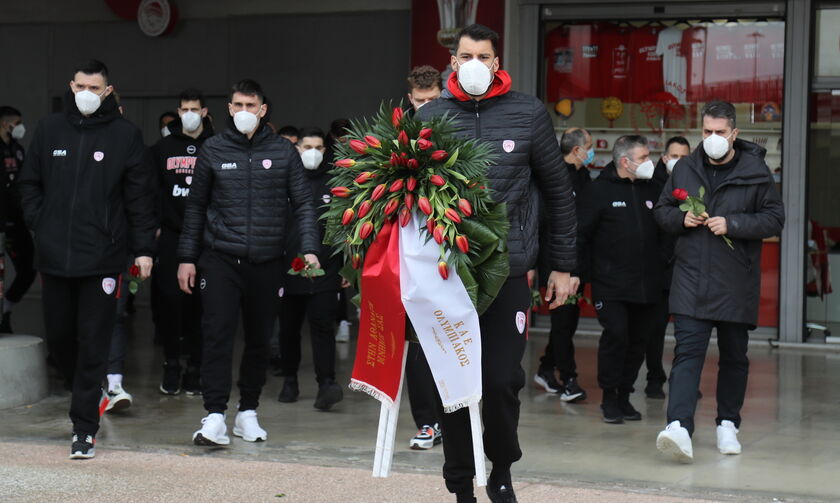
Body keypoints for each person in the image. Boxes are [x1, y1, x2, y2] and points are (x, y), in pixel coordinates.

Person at [417, 24, 577, 503]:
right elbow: (407, 194)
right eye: (465, 55)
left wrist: (563, 265)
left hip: (507, 271)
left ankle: (501, 466)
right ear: (452, 62)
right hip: (447, 273)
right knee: (454, 382)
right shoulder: (430, 116)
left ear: (496, 62)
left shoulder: (528, 113)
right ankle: (461, 482)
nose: (474, 64)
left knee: (503, 379)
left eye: (483, 56)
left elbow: (559, 193)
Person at [18, 59, 155, 459]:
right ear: (70, 85)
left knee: (93, 341)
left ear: (108, 91)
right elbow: (29, 183)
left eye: (94, 88)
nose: (86, 95)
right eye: (80, 86)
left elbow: (139, 198)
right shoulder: (50, 129)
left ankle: (83, 429)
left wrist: (143, 248)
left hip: (102, 257)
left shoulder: (125, 135)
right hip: (55, 254)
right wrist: (39, 223)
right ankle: (90, 389)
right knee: (61, 340)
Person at [178, 79, 319, 446]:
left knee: (259, 339)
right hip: (220, 258)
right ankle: (213, 416)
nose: (244, 112)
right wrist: (186, 258)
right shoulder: (213, 149)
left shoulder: (283, 152)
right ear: (229, 108)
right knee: (217, 335)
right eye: (237, 105)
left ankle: (247, 412)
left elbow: (304, 204)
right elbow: (195, 207)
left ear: (263, 109)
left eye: (250, 105)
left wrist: (308, 248)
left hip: (268, 260)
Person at [654, 101, 784, 462]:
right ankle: (679, 426)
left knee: (734, 357)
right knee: (687, 354)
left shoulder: (756, 170)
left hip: (734, 280)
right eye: (707, 132)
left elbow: (774, 219)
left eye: (720, 133)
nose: (713, 139)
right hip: (691, 277)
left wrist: (734, 224)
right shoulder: (685, 169)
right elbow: (663, 211)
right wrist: (682, 221)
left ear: (734, 134)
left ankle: (728, 423)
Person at [576, 135, 665, 424]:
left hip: (647, 283)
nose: (648, 162)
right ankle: (609, 397)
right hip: (611, 284)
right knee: (616, 337)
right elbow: (581, 235)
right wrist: (579, 273)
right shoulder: (598, 191)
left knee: (639, 342)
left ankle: (625, 395)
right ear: (625, 161)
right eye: (643, 157)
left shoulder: (655, 189)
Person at [276, 127, 344, 410]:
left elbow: (344, 229)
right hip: (288, 268)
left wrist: (345, 267)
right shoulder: (283, 182)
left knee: (322, 326)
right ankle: (289, 379)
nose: (313, 152)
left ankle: (326, 383)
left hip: (326, 270)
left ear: (325, 151)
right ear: (297, 149)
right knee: (289, 329)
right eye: (307, 147)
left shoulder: (335, 184)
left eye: (318, 147)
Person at [151, 89, 213, 396]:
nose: (189, 113)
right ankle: (171, 362)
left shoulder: (216, 147)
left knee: (200, 306)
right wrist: (156, 227)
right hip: (172, 236)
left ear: (204, 112)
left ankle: (197, 367)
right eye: (184, 108)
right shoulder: (162, 148)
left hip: (206, 238)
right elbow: (151, 191)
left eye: (194, 108)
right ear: (178, 111)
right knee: (169, 302)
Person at [534, 127, 592, 403]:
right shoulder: (554, 180)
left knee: (567, 323)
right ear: (577, 150)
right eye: (589, 146)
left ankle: (546, 368)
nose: (590, 151)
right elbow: (548, 225)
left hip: (578, 263)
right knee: (562, 319)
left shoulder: (585, 178)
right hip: (557, 265)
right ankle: (569, 379)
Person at [403, 65, 444, 450]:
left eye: (433, 101)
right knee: (416, 340)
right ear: (409, 99)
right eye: (420, 102)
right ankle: (427, 422)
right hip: (409, 252)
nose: (427, 108)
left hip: (452, 253)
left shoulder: (459, 131)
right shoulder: (395, 136)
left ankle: (456, 418)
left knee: (451, 336)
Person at [645, 135, 691, 399]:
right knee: (655, 329)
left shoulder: (695, 183)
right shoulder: (652, 186)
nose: (679, 162)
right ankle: (654, 379)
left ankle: (685, 381)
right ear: (664, 158)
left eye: (684, 157)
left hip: (686, 269)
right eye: (675, 156)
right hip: (660, 269)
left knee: (688, 331)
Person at [0, 106, 37, 333]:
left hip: (16, 219)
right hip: (1, 220)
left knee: (29, 267)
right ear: (6, 124)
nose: (20, 127)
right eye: (17, 122)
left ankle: (6, 309)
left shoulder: (18, 149)